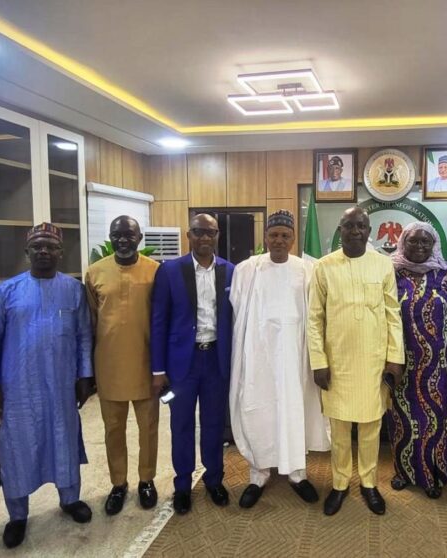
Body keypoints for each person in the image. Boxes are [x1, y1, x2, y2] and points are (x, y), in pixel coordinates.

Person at [0, 223, 94, 549]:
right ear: (28, 252)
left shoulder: (73, 290)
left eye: (50, 247)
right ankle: (17, 515)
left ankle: (69, 499)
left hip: (61, 387)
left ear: (60, 251)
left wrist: (85, 376)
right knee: (18, 447)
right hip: (19, 389)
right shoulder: (7, 291)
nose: (44, 251)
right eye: (38, 247)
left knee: (64, 439)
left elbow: (84, 336)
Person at [230, 210, 330, 509]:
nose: (278, 240)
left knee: (293, 410)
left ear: (293, 239)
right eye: (273, 234)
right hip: (257, 354)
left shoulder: (306, 270)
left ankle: (297, 474)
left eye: (285, 235)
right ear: (265, 237)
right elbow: (237, 310)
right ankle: (258, 474)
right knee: (258, 410)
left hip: (294, 357)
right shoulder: (247, 269)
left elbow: (315, 315)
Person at [308, 207, 404, 516]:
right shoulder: (324, 267)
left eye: (361, 226)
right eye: (349, 225)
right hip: (337, 362)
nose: (355, 231)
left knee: (370, 427)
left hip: (374, 361)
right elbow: (314, 319)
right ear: (340, 229)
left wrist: (394, 359)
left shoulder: (383, 266)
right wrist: (318, 361)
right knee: (339, 429)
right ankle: (338, 485)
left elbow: (393, 315)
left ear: (369, 230)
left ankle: (369, 483)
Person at [151, 213, 234, 514]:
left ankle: (214, 480)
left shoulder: (231, 271)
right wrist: (158, 370)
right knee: (182, 424)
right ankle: (182, 485)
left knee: (213, 423)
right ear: (189, 235)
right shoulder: (170, 270)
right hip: (181, 364)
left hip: (216, 360)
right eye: (198, 232)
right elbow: (158, 321)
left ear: (217, 236)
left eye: (209, 233)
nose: (204, 238)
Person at [85, 216, 160, 515]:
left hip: (146, 366)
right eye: (117, 235)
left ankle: (146, 480)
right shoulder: (94, 272)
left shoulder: (156, 271)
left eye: (129, 234)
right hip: (109, 366)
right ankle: (118, 483)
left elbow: (162, 320)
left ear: (140, 237)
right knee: (113, 429)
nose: (123, 240)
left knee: (149, 428)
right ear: (111, 237)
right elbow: (90, 324)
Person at [387, 222, 447, 499]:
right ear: (402, 243)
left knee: (439, 420)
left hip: (443, 365)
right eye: (413, 242)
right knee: (404, 420)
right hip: (402, 362)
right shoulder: (390, 272)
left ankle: (435, 475)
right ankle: (404, 471)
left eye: (425, 242)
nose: (419, 247)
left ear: (434, 245)